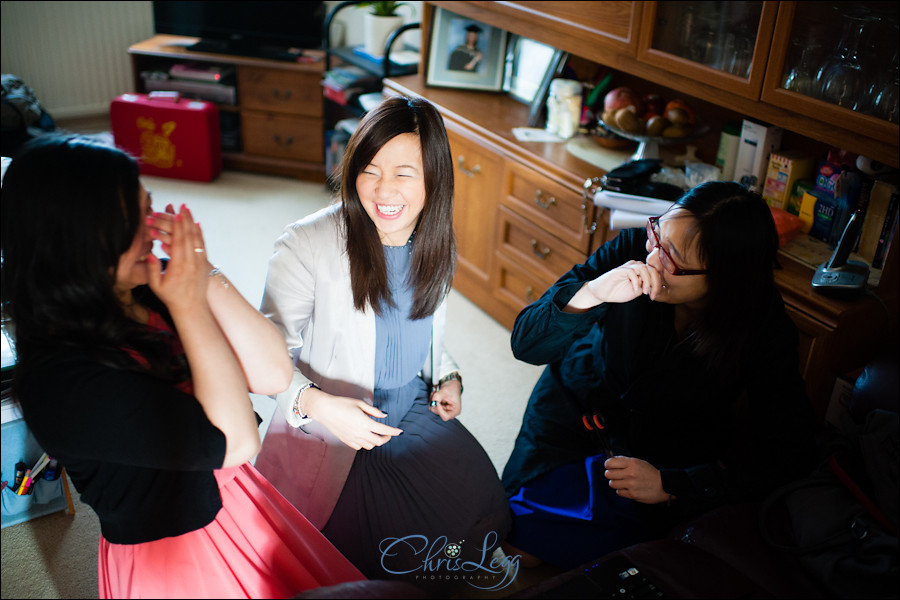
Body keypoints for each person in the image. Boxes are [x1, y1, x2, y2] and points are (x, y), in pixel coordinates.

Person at [0, 136, 365, 599]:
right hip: (173, 555)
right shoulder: (61, 384)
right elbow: (236, 442)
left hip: (238, 500)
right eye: (127, 222)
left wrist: (205, 273)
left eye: (147, 210)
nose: (150, 232)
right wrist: (190, 307)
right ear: (68, 239)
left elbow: (273, 373)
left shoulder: (148, 290)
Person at [253, 96, 512, 585]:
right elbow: (264, 359)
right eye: (369, 170)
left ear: (434, 176)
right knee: (363, 572)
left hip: (408, 407)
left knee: (479, 514)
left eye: (404, 173)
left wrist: (447, 374)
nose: (383, 189)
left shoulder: (436, 242)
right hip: (328, 428)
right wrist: (320, 406)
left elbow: (425, 329)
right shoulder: (305, 243)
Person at [500, 181, 821, 570]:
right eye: (657, 233)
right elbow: (526, 345)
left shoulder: (763, 328)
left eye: (672, 257)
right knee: (516, 540)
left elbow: (790, 447)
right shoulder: (634, 248)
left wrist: (673, 485)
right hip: (578, 407)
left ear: (723, 279)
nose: (652, 258)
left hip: (662, 451)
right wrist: (592, 293)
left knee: (634, 565)